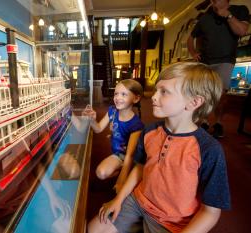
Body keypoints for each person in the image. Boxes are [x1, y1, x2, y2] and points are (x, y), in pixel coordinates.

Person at [88, 62, 231, 233]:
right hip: (138, 201)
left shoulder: (209, 149)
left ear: (194, 102)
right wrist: (118, 199)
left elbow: (211, 211)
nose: (154, 97)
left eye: (164, 92)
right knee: (93, 229)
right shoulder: (149, 131)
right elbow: (140, 167)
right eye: (157, 90)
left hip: (172, 220)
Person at [187, 0, 250, 138]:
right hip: (205, 61)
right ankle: (204, 121)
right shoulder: (205, 16)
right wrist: (193, 53)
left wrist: (227, 15)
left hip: (225, 60)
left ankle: (218, 123)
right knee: (203, 93)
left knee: (220, 94)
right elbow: (190, 37)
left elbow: (242, 30)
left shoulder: (239, 10)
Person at [83, 79, 144, 193]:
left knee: (116, 180)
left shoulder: (136, 125)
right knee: (100, 173)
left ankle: (131, 171)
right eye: (116, 94)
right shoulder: (112, 111)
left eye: (124, 94)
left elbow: (129, 156)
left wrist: (120, 183)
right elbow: (98, 129)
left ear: (136, 98)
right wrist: (92, 120)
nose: (118, 98)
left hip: (131, 157)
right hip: (118, 155)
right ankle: (126, 171)